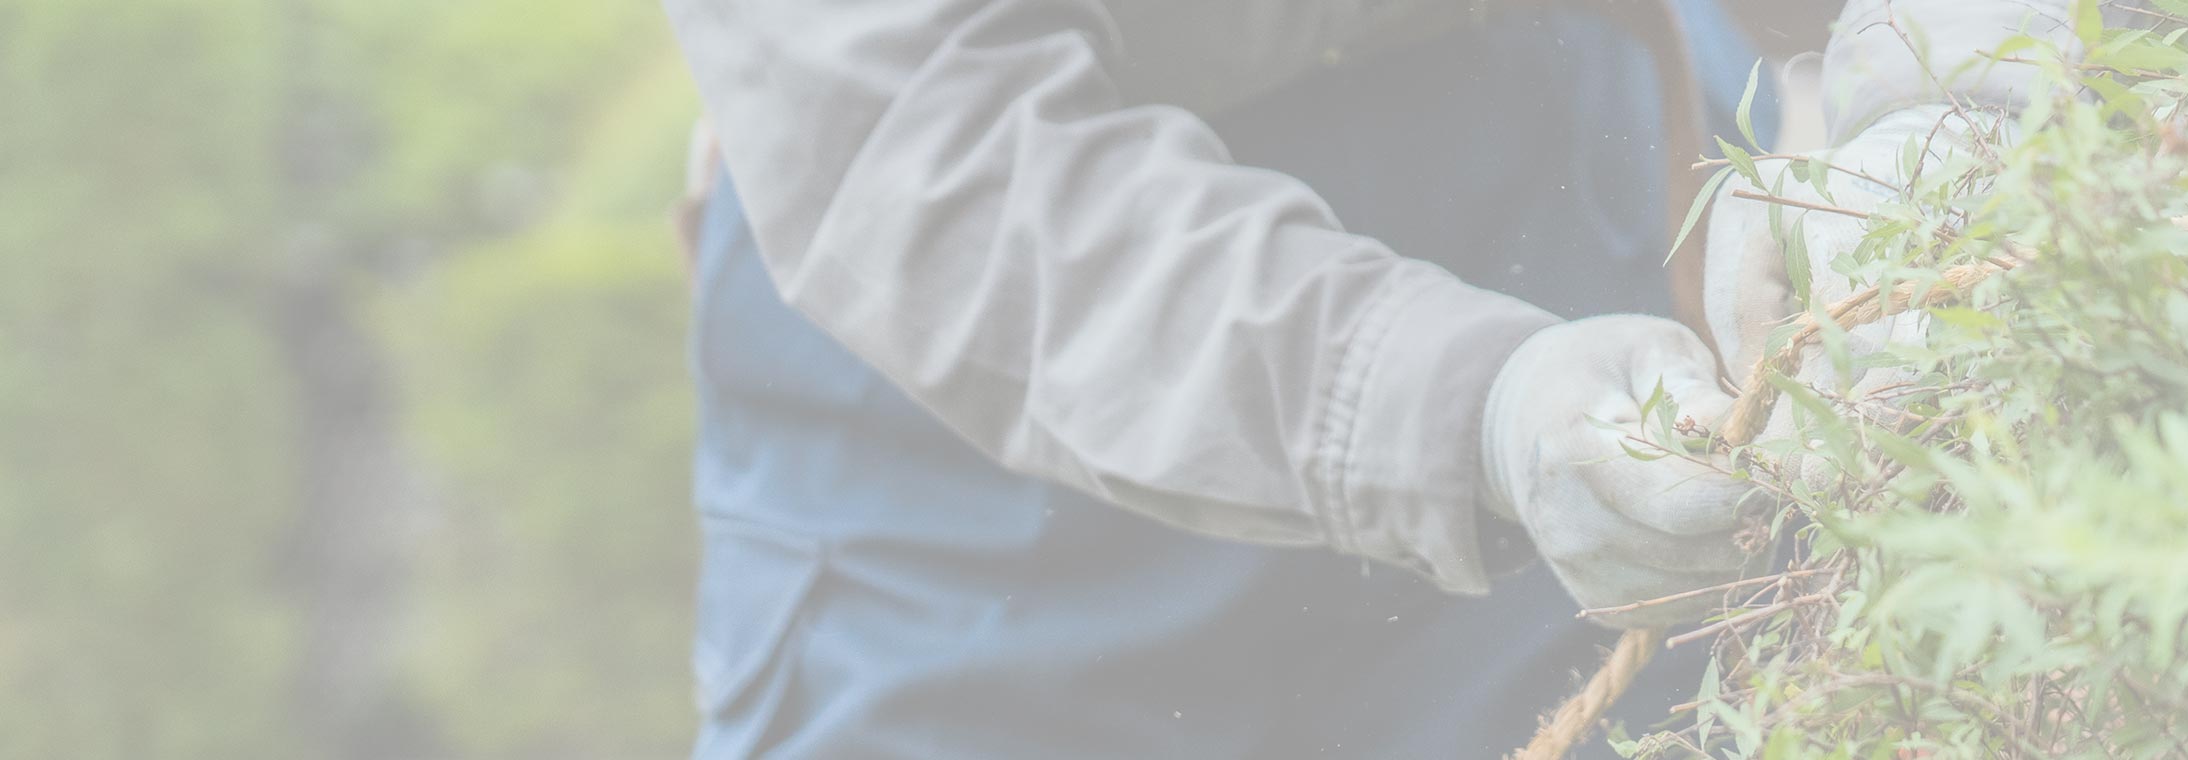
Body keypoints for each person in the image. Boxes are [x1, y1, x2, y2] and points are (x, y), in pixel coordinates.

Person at [665, 0, 2083, 756]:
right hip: (974, 368)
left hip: (1553, 183)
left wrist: (1957, 97)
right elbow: (924, 134)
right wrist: (1459, 408)